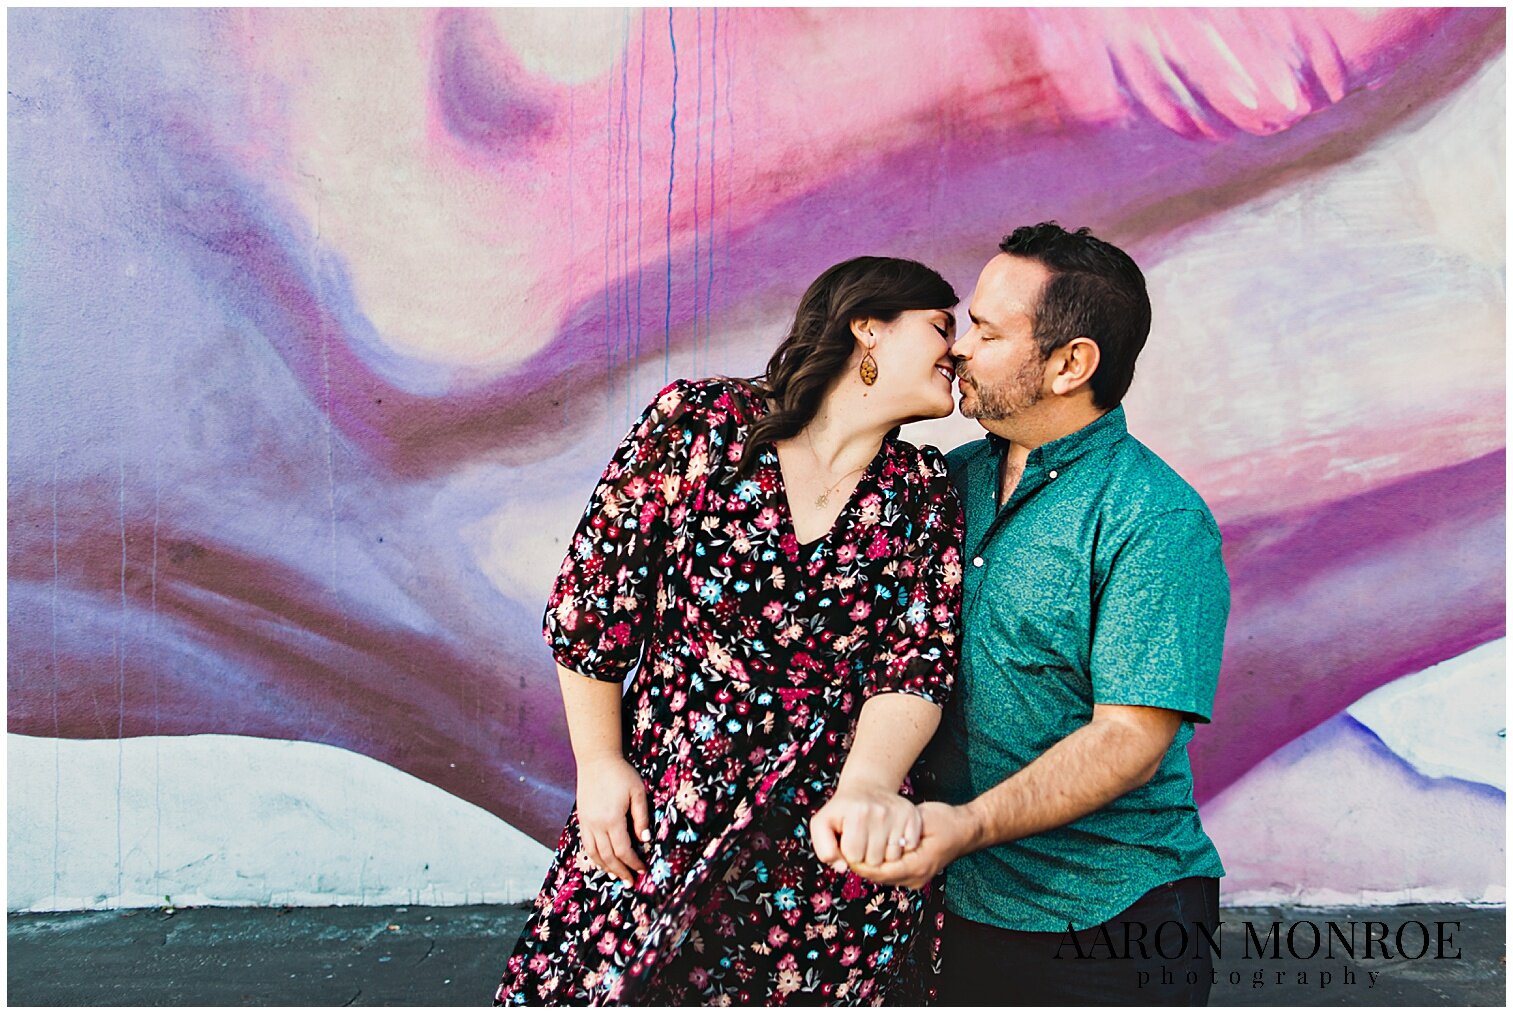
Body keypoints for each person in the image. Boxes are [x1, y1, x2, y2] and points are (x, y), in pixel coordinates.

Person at [495, 256, 966, 1005]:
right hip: (667, 794)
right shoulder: (700, 423)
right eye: (942, 327)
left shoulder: (921, 491)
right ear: (867, 326)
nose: (960, 350)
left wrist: (866, 791)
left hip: (822, 839)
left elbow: (914, 665)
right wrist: (599, 764)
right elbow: (595, 598)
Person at [850, 223, 1231, 1005]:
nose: (957, 348)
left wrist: (964, 827)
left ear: (1069, 364)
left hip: (1112, 921)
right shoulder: (940, 484)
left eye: (987, 332)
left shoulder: (1153, 519)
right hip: (949, 907)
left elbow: (1127, 737)